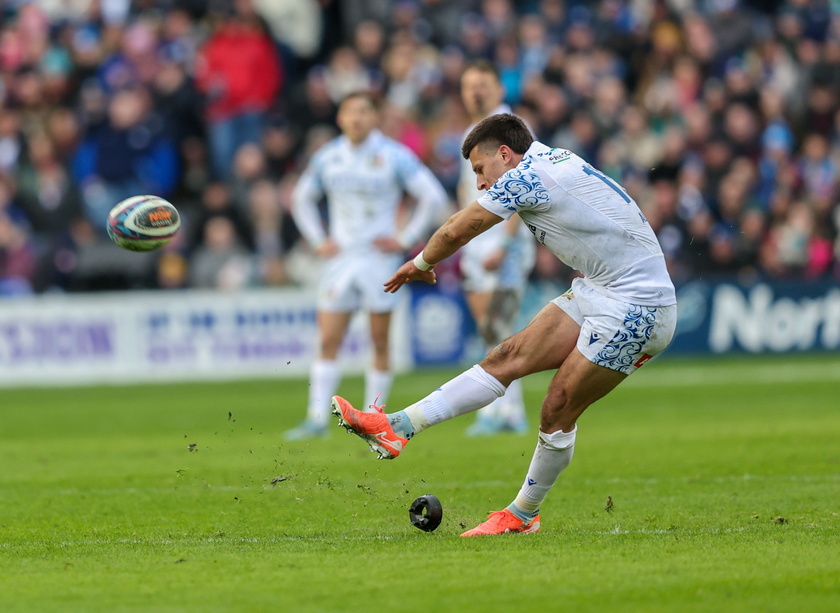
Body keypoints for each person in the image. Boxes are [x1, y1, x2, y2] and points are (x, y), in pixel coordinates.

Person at [332, 114, 677, 536]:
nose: (479, 182)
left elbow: (462, 227)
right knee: (506, 355)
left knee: (558, 407)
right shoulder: (549, 162)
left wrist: (421, 263)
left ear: (505, 154)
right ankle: (397, 428)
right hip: (602, 289)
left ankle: (522, 514)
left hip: (640, 306)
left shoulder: (529, 175)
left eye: (480, 169)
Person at [286, 91, 448, 440]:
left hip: (379, 259)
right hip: (341, 258)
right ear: (340, 118)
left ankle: (375, 417)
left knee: (379, 341)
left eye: (363, 111)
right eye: (349, 112)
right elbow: (300, 198)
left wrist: (406, 238)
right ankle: (316, 418)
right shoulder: (328, 157)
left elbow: (432, 196)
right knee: (329, 338)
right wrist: (318, 240)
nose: (356, 118)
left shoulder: (393, 155)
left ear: (374, 117)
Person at [457, 60, 535, 436]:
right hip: (477, 245)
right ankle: (504, 411)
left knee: (499, 330)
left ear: (497, 87)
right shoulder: (470, 132)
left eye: (482, 83)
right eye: (468, 85)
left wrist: (506, 242)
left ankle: (503, 413)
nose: (475, 91)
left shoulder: (509, 130)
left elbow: (524, 189)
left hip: (506, 243)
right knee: (492, 333)